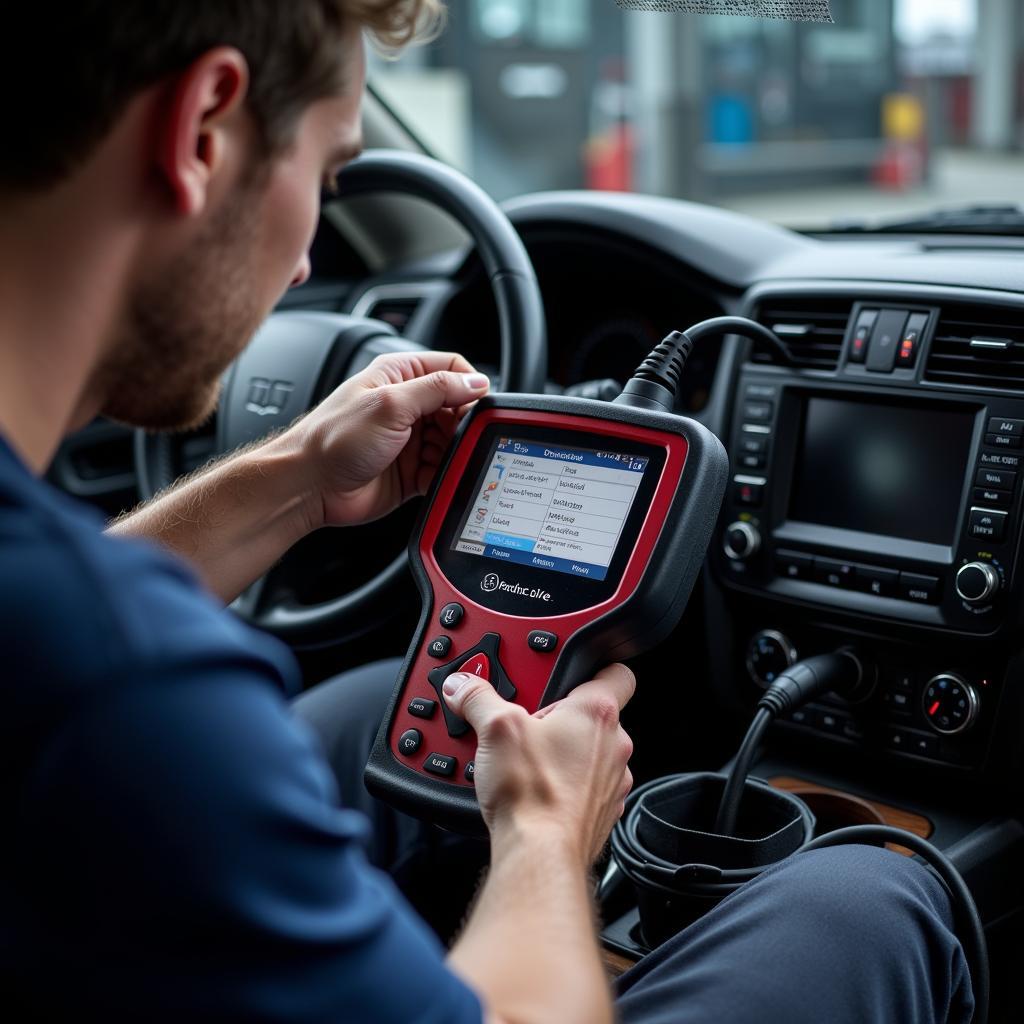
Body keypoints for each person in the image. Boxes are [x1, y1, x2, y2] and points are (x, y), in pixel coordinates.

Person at [0, 2, 973, 1021]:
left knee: (376, 705)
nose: (301, 267)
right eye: (329, 178)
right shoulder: (128, 685)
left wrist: (292, 473)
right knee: (874, 891)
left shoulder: (69, 633)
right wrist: (548, 831)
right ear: (203, 129)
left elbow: (48, 623)